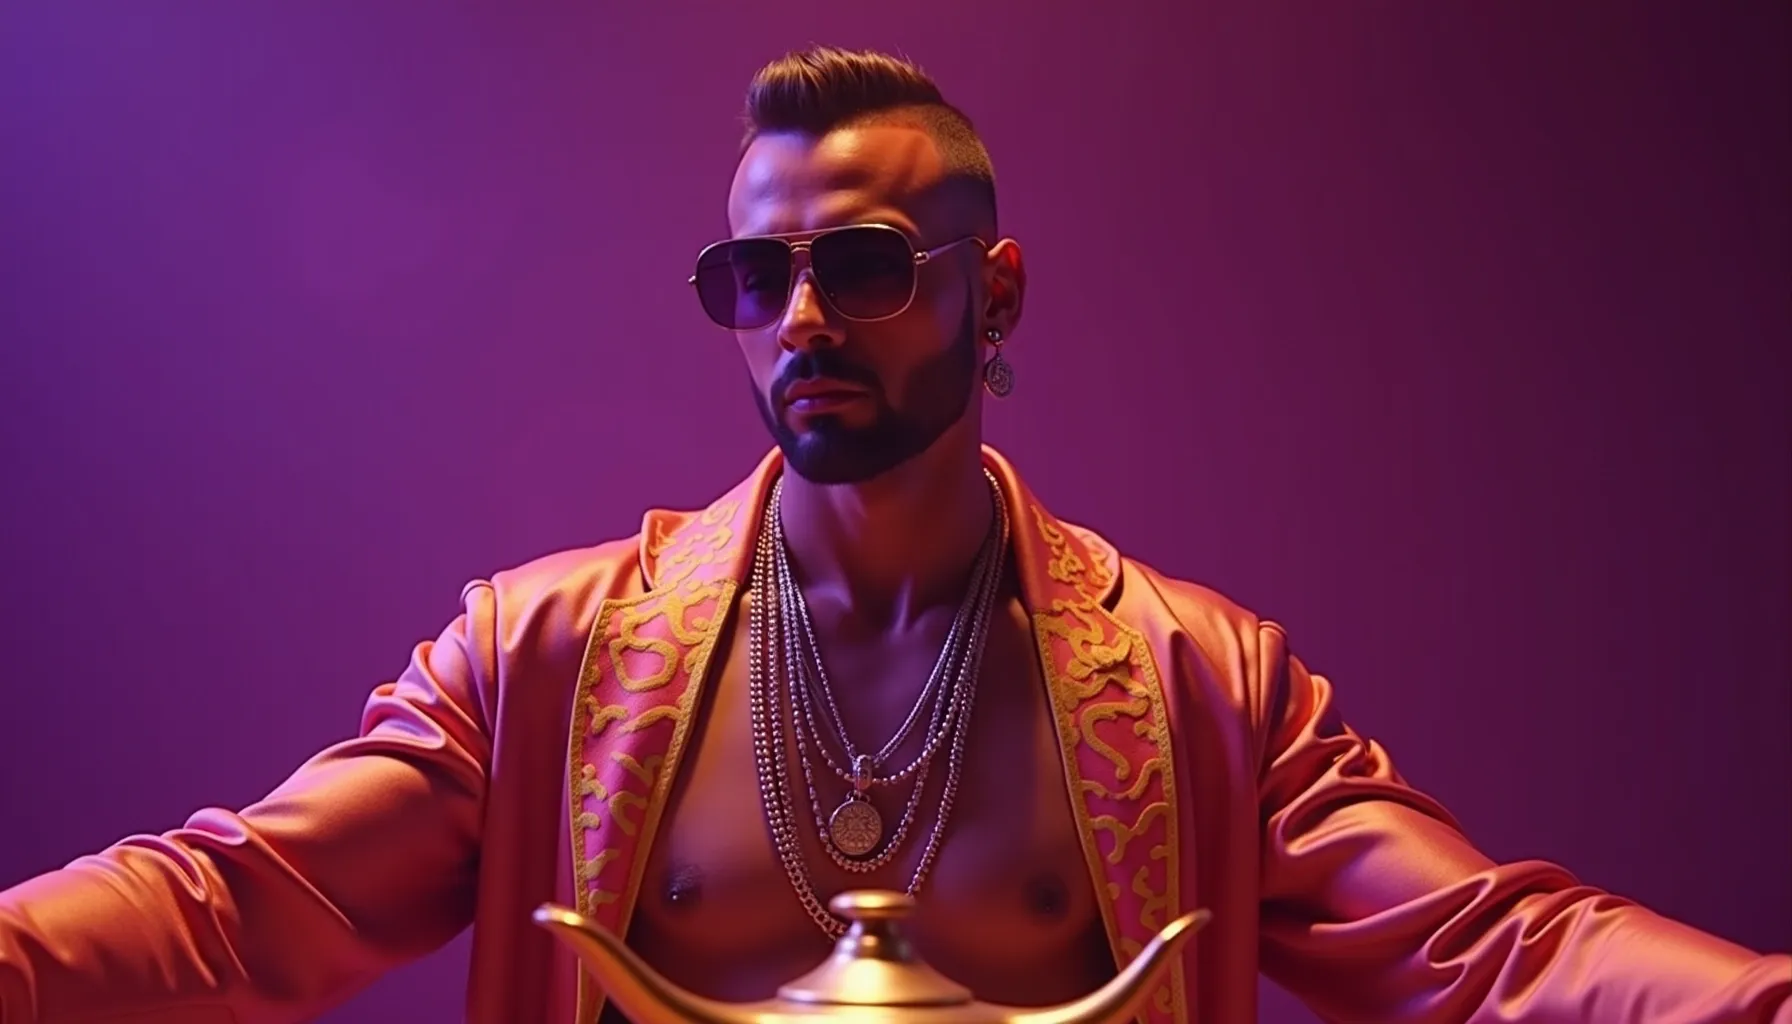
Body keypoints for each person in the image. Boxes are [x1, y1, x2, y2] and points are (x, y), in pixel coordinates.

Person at [1, 45, 1787, 1024]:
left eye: (859, 265)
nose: (800, 319)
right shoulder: (549, 656)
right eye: (752, 274)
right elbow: (242, 909)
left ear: (989, 290)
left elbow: (1494, 950)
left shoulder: (1193, 684)